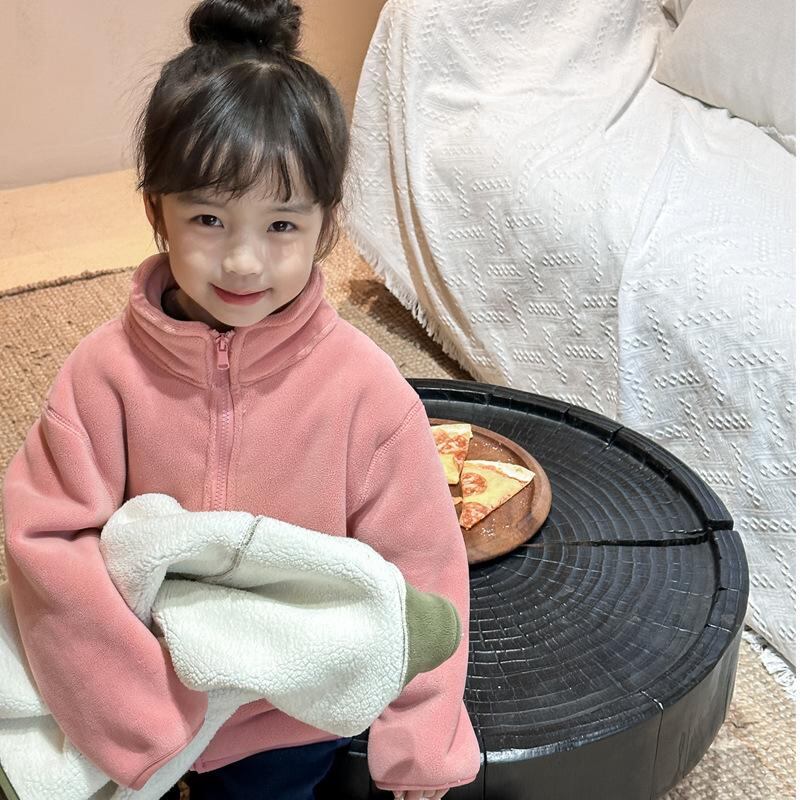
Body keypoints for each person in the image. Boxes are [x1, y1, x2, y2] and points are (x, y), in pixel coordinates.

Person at [2, 1, 481, 799]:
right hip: (136, 699)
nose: (244, 261)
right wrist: (134, 711)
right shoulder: (101, 376)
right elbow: (45, 538)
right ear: (156, 210)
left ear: (327, 224)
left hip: (286, 718)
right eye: (209, 218)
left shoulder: (368, 394)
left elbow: (423, 568)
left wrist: (422, 737)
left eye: (282, 225)